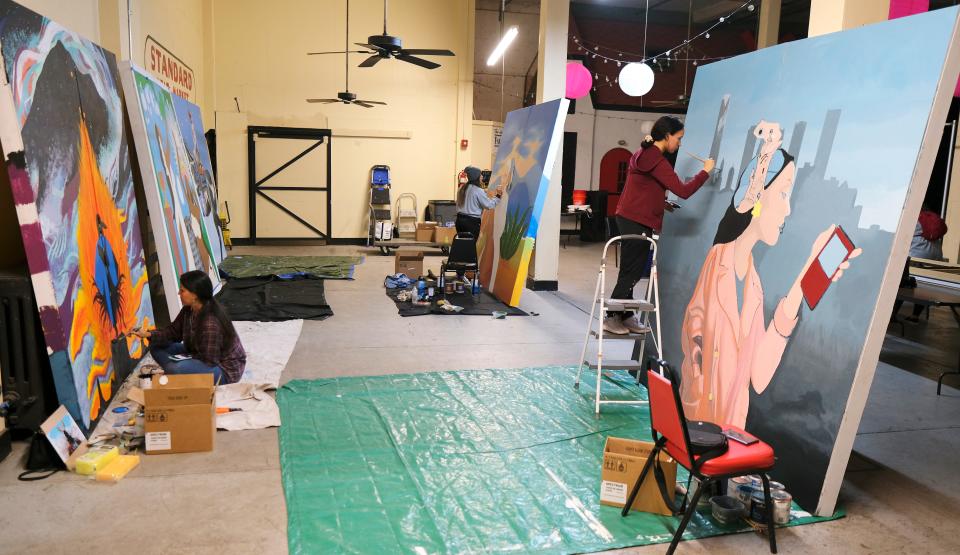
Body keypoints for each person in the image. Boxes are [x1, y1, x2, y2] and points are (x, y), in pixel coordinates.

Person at [678, 120, 861, 428]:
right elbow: (746, 199)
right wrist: (767, 153)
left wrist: (808, 275)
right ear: (759, 199)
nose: (788, 210)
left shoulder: (753, 287)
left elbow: (759, 377)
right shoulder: (717, 261)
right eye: (784, 194)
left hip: (730, 433)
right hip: (697, 427)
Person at [605, 116, 715, 335]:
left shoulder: (643, 154)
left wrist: (661, 202)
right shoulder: (656, 159)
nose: (680, 144)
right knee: (632, 272)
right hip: (636, 219)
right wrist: (705, 172)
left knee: (631, 269)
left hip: (631, 216)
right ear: (667, 136)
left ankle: (626, 315)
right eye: (679, 138)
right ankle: (612, 317)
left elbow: (642, 186)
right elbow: (683, 191)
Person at [131, 270, 246, 384]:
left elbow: (209, 361)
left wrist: (183, 360)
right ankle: (175, 372)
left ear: (195, 295)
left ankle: (175, 372)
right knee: (155, 345)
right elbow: (173, 332)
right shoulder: (189, 310)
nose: (178, 293)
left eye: (182, 291)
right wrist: (147, 334)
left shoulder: (210, 322)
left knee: (176, 368)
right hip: (198, 351)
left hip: (223, 369)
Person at [456, 165, 502, 240]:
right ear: (476, 177)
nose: (482, 177)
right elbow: (489, 205)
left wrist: (483, 192)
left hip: (460, 221)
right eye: (480, 175)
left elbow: (471, 195)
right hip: (471, 223)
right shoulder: (478, 190)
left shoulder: (462, 188)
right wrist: (498, 196)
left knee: (463, 244)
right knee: (470, 245)